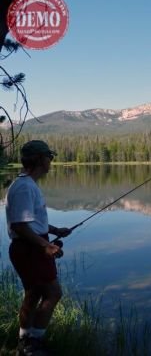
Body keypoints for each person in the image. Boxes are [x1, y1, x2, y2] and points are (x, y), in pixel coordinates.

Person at [5, 140, 71, 356]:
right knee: (53, 293)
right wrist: (46, 245)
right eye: (49, 157)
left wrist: (54, 230)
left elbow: (30, 222)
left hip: (30, 246)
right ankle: (34, 342)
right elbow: (20, 226)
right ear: (41, 159)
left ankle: (25, 342)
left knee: (33, 294)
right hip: (30, 248)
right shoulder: (24, 187)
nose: (51, 162)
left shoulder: (25, 184)